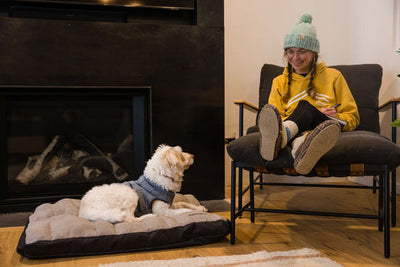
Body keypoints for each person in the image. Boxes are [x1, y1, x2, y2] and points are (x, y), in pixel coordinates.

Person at [258, 13, 360, 175]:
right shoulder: (279, 81)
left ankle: (282, 137)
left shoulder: (334, 76)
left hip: (327, 126)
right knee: (301, 122)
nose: (295, 57)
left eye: (302, 51)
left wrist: (337, 115)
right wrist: (302, 120)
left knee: (306, 107)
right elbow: (274, 119)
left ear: (314, 53)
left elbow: (353, 118)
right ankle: (300, 149)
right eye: (290, 51)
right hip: (299, 131)